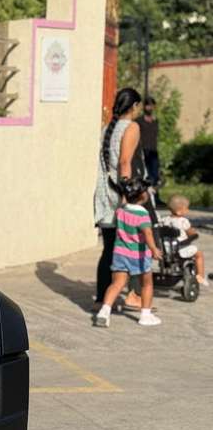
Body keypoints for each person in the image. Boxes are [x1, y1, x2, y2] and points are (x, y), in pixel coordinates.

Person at [94, 88, 146, 307]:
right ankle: (133, 295)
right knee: (133, 245)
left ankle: (101, 298)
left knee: (109, 248)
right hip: (121, 195)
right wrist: (128, 195)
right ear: (134, 106)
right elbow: (125, 162)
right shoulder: (131, 127)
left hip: (105, 194)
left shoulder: (108, 128)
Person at [94, 177, 163, 327]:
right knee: (147, 284)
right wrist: (154, 249)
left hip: (120, 254)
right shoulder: (143, 215)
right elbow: (147, 233)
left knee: (116, 284)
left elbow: (125, 201)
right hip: (139, 255)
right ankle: (145, 315)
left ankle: (104, 311)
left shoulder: (121, 211)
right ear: (143, 195)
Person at [162, 194, 208, 287]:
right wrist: (193, 234)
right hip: (180, 249)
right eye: (186, 208)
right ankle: (200, 276)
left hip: (165, 250)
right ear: (179, 212)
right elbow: (191, 233)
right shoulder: (183, 221)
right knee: (199, 254)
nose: (188, 210)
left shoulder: (164, 220)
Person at [136, 96, 160, 195]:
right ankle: (144, 196)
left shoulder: (155, 121)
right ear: (144, 107)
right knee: (144, 175)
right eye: (147, 105)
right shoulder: (138, 121)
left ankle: (155, 197)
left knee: (155, 175)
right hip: (142, 151)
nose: (149, 107)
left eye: (151, 105)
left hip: (153, 151)